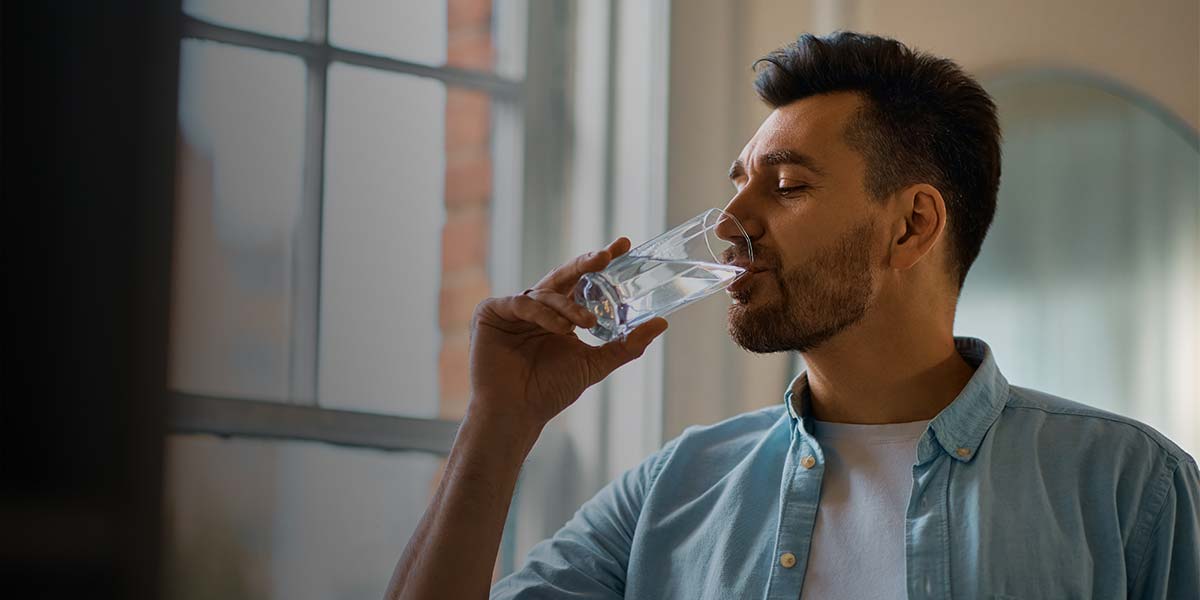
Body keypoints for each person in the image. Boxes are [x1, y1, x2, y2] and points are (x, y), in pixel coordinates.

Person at [386, 32, 1199, 599]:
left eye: (785, 187)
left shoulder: (1131, 488)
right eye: (736, 185)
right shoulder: (674, 491)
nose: (731, 224)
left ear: (911, 225)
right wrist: (500, 420)